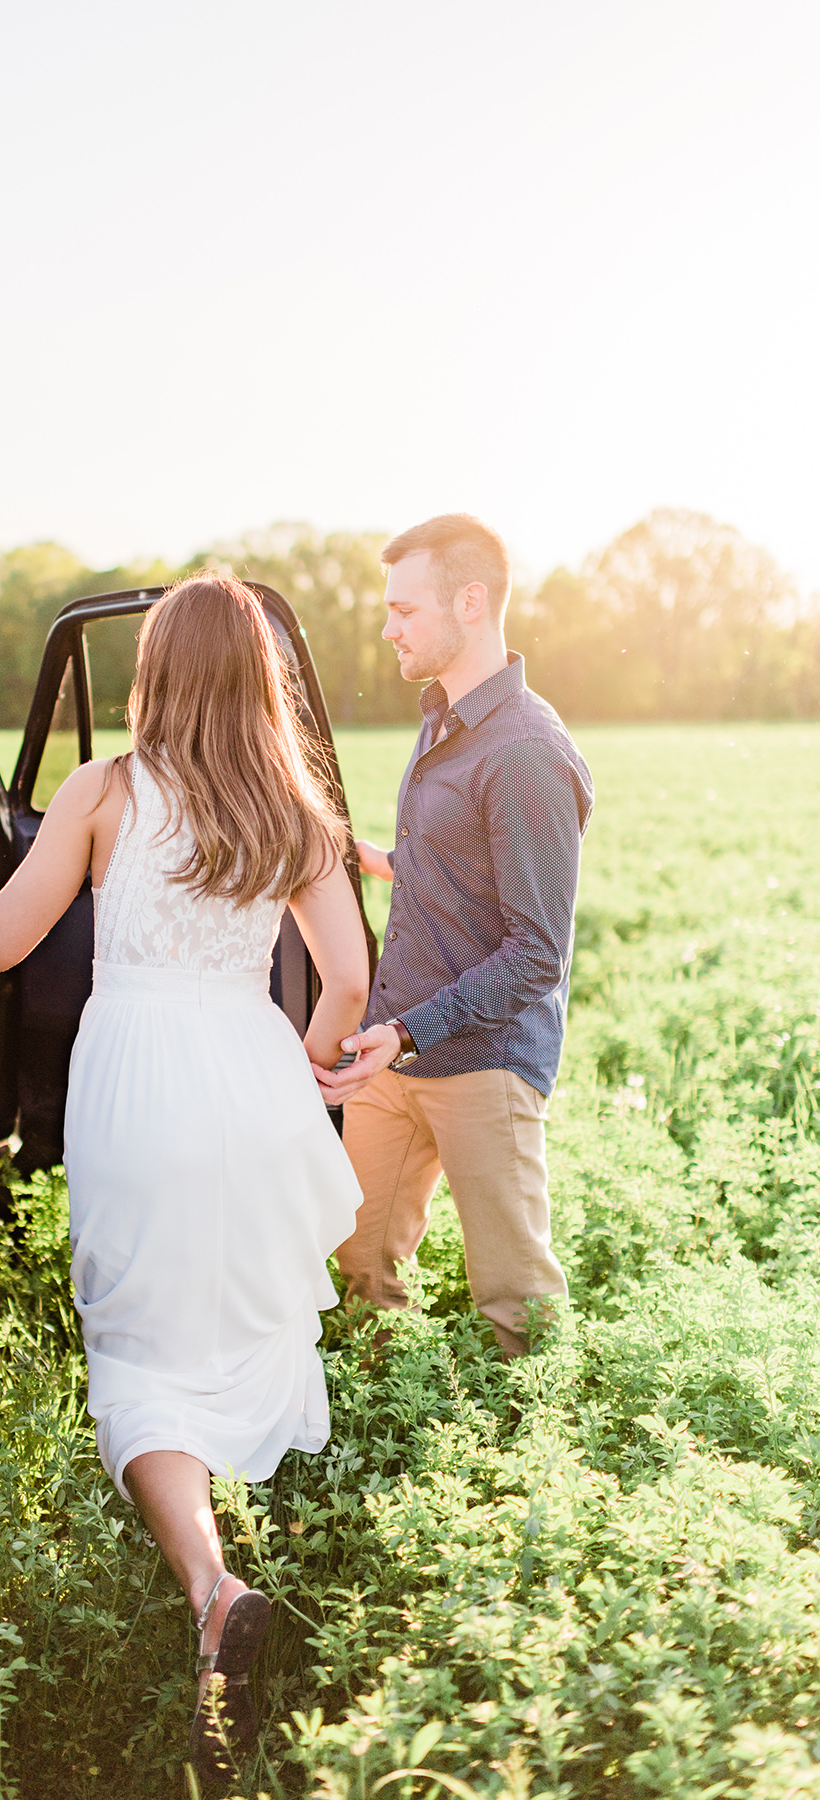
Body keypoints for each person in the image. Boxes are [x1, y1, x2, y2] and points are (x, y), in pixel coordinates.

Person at [0, 574, 368, 1782]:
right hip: (248, 1073)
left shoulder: (104, 791)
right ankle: (225, 1569)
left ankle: (210, 1586)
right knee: (232, 1318)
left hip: (135, 1082)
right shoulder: (297, 805)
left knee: (134, 1349)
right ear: (261, 679)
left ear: (157, 673)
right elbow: (342, 984)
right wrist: (300, 1070)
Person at [314, 515, 593, 1358]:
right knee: (357, 1265)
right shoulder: (441, 716)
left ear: (469, 602)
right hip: (396, 1058)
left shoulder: (526, 754)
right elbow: (462, 859)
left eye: (403, 610)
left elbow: (534, 953)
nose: (388, 628)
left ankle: (536, 1462)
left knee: (515, 1305)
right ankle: (388, 1438)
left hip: (484, 1064)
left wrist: (403, 1031)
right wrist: (375, 860)